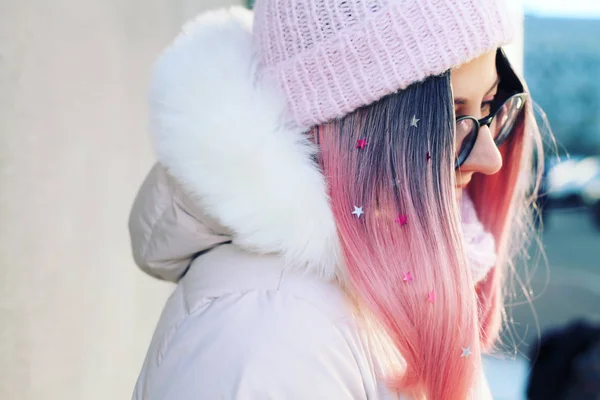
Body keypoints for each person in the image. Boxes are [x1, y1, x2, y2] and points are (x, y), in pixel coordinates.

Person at [129, 0, 542, 398]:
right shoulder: (273, 336)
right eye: (448, 117)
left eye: (490, 106)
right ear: (350, 123)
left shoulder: (351, 298)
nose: (490, 159)